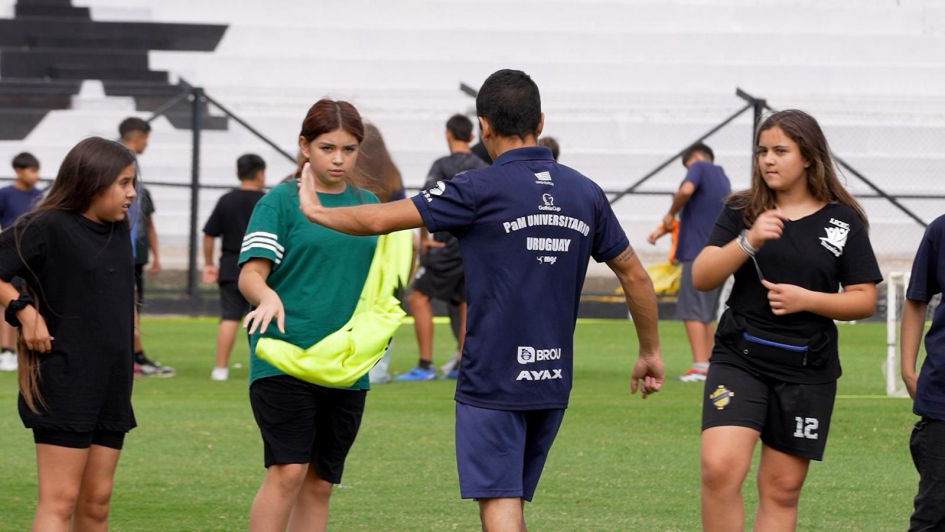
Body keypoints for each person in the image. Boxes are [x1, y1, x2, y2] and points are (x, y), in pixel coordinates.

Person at [296, 69, 663, 531]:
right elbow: (636, 276)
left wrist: (313, 210)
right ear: (541, 120)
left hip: (493, 380)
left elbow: (378, 220)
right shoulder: (584, 192)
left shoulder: (476, 188)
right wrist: (649, 351)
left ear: (484, 125)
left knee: (500, 508)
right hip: (551, 379)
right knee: (512, 505)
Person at [691, 109, 882, 532]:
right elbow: (702, 277)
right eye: (762, 151)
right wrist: (749, 239)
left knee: (781, 489)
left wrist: (807, 300)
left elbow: (864, 299)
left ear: (809, 157)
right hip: (740, 357)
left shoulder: (843, 220)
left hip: (806, 369)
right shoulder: (742, 210)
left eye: (780, 150)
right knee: (719, 467)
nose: (768, 160)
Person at [239, 99, 382, 532]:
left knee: (320, 485)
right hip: (284, 356)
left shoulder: (369, 203)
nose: (338, 158)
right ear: (304, 146)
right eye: (326, 147)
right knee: (288, 472)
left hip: (345, 367)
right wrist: (265, 297)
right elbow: (250, 275)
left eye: (349, 148)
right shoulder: (279, 202)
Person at [0, 137, 138, 531]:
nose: (131, 194)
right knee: (60, 502)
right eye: (123, 183)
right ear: (93, 181)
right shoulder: (47, 225)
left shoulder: (117, 228)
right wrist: (22, 311)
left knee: (96, 504)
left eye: (133, 184)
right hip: (64, 381)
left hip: (111, 384)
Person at [397, 114, 487, 381]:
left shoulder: (442, 165)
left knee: (417, 297)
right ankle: (463, 363)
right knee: (463, 300)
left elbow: (426, 202)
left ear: (448, 134)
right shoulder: (483, 166)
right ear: (471, 137)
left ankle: (425, 366)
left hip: (448, 246)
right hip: (473, 246)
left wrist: (425, 238)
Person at [649, 143, 731, 382]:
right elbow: (699, 215)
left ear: (693, 158)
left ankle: (699, 366)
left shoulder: (699, 166)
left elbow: (685, 191)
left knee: (692, 308)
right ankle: (707, 364)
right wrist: (663, 230)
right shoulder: (722, 177)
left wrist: (670, 212)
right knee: (706, 313)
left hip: (697, 254)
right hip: (719, 253)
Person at [203, 154, 267, 381]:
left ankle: (220, 368)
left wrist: (209, 263)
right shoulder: (266, 201)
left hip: (231, 265)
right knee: (263, 316)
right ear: (260, 173)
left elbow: (209, 234)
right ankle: (262, 368)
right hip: (262, 268)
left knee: (229, 316)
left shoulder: (226, 200)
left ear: (238, 173)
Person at [119, 117, 174, 377]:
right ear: (138, 136)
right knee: (126, 305)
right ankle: (134, 358)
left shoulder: (140, 188)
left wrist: (154, 255)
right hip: (122, 253)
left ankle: (134, 356)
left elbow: (147, 222)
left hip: (133, 254)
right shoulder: (120, 159)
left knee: (132, 305)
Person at [901, 213, 945, 531]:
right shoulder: (941, 230)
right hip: (942, 400)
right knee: (933, 513)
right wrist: (907, 369)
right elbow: (916, 299)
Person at [0, 152, 44, 372]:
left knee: (33, 301)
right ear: (18, 171)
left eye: (37, 171)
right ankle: (6, 350)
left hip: (32, 260)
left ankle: (28, 347)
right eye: (32, 170)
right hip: (10, 257)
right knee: (10, 302)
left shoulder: (39, 196)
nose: (36, 176)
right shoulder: (5, 194)